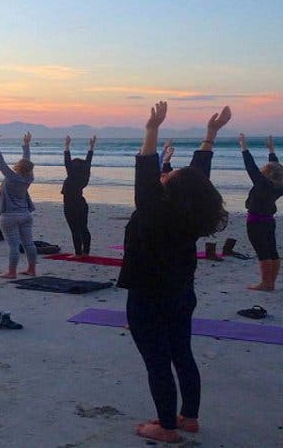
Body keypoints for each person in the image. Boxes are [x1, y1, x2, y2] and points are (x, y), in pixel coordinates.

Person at [117, 102, 230, 443]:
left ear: (170, 188)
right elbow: (198, 177)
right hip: (181, 294)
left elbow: (146, 168)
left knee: (157, 362)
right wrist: (210, 135)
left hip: (147, 297)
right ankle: (189, 417)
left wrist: (151, 129)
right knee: (181, 353)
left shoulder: (153, 210)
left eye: (169, 175)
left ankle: (167, 427)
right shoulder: (192, 211)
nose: (165, 174)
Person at [238, 133, 283, 291]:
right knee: (272, 251)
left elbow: (251, 167)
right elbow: (277, 169)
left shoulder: (262, 184)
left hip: (256, 222)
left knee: (263, 252)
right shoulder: (279, 186)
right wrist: (271, 150)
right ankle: (270, 283)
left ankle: (266, 283)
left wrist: (244, 147)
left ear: (267, 173)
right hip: (269, 221)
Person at [0, 130, 37, 278]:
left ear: (18, 168)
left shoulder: (12, 177)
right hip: (26, 215)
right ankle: (32, 269)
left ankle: (12, 272)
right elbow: (27, 163)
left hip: (9, 216)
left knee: (13, 246)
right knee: (29, 244)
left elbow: (0, 162)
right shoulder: (28, 178)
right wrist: (26, 145)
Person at [62, 134, 96, 256]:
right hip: (81, 204)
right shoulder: (83, 177)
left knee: (75, 229)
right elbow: (88, 162)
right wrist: (91, 147)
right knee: (83, 228)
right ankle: (86, 252)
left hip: (70, 205)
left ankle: (78, 253)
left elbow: (67, 161)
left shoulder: (72, 176)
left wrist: (67, 145)